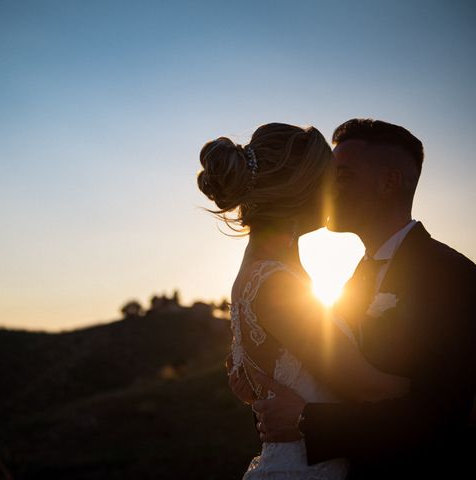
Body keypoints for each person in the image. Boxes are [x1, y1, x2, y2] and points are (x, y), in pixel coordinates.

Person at [244, 119, 476, 479]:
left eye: (343, 176)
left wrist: (308, 420)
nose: (327, 188)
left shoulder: (452, 276)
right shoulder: (349, 280)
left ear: (389, 182)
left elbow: (445, 415)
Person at [197, 122, 410, 479]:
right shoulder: (278, 284)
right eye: (329, 178)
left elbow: (279, 378)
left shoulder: (260, 272)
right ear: (301, 189)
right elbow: (365, 386)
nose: (336, 190)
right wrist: (453, 390)